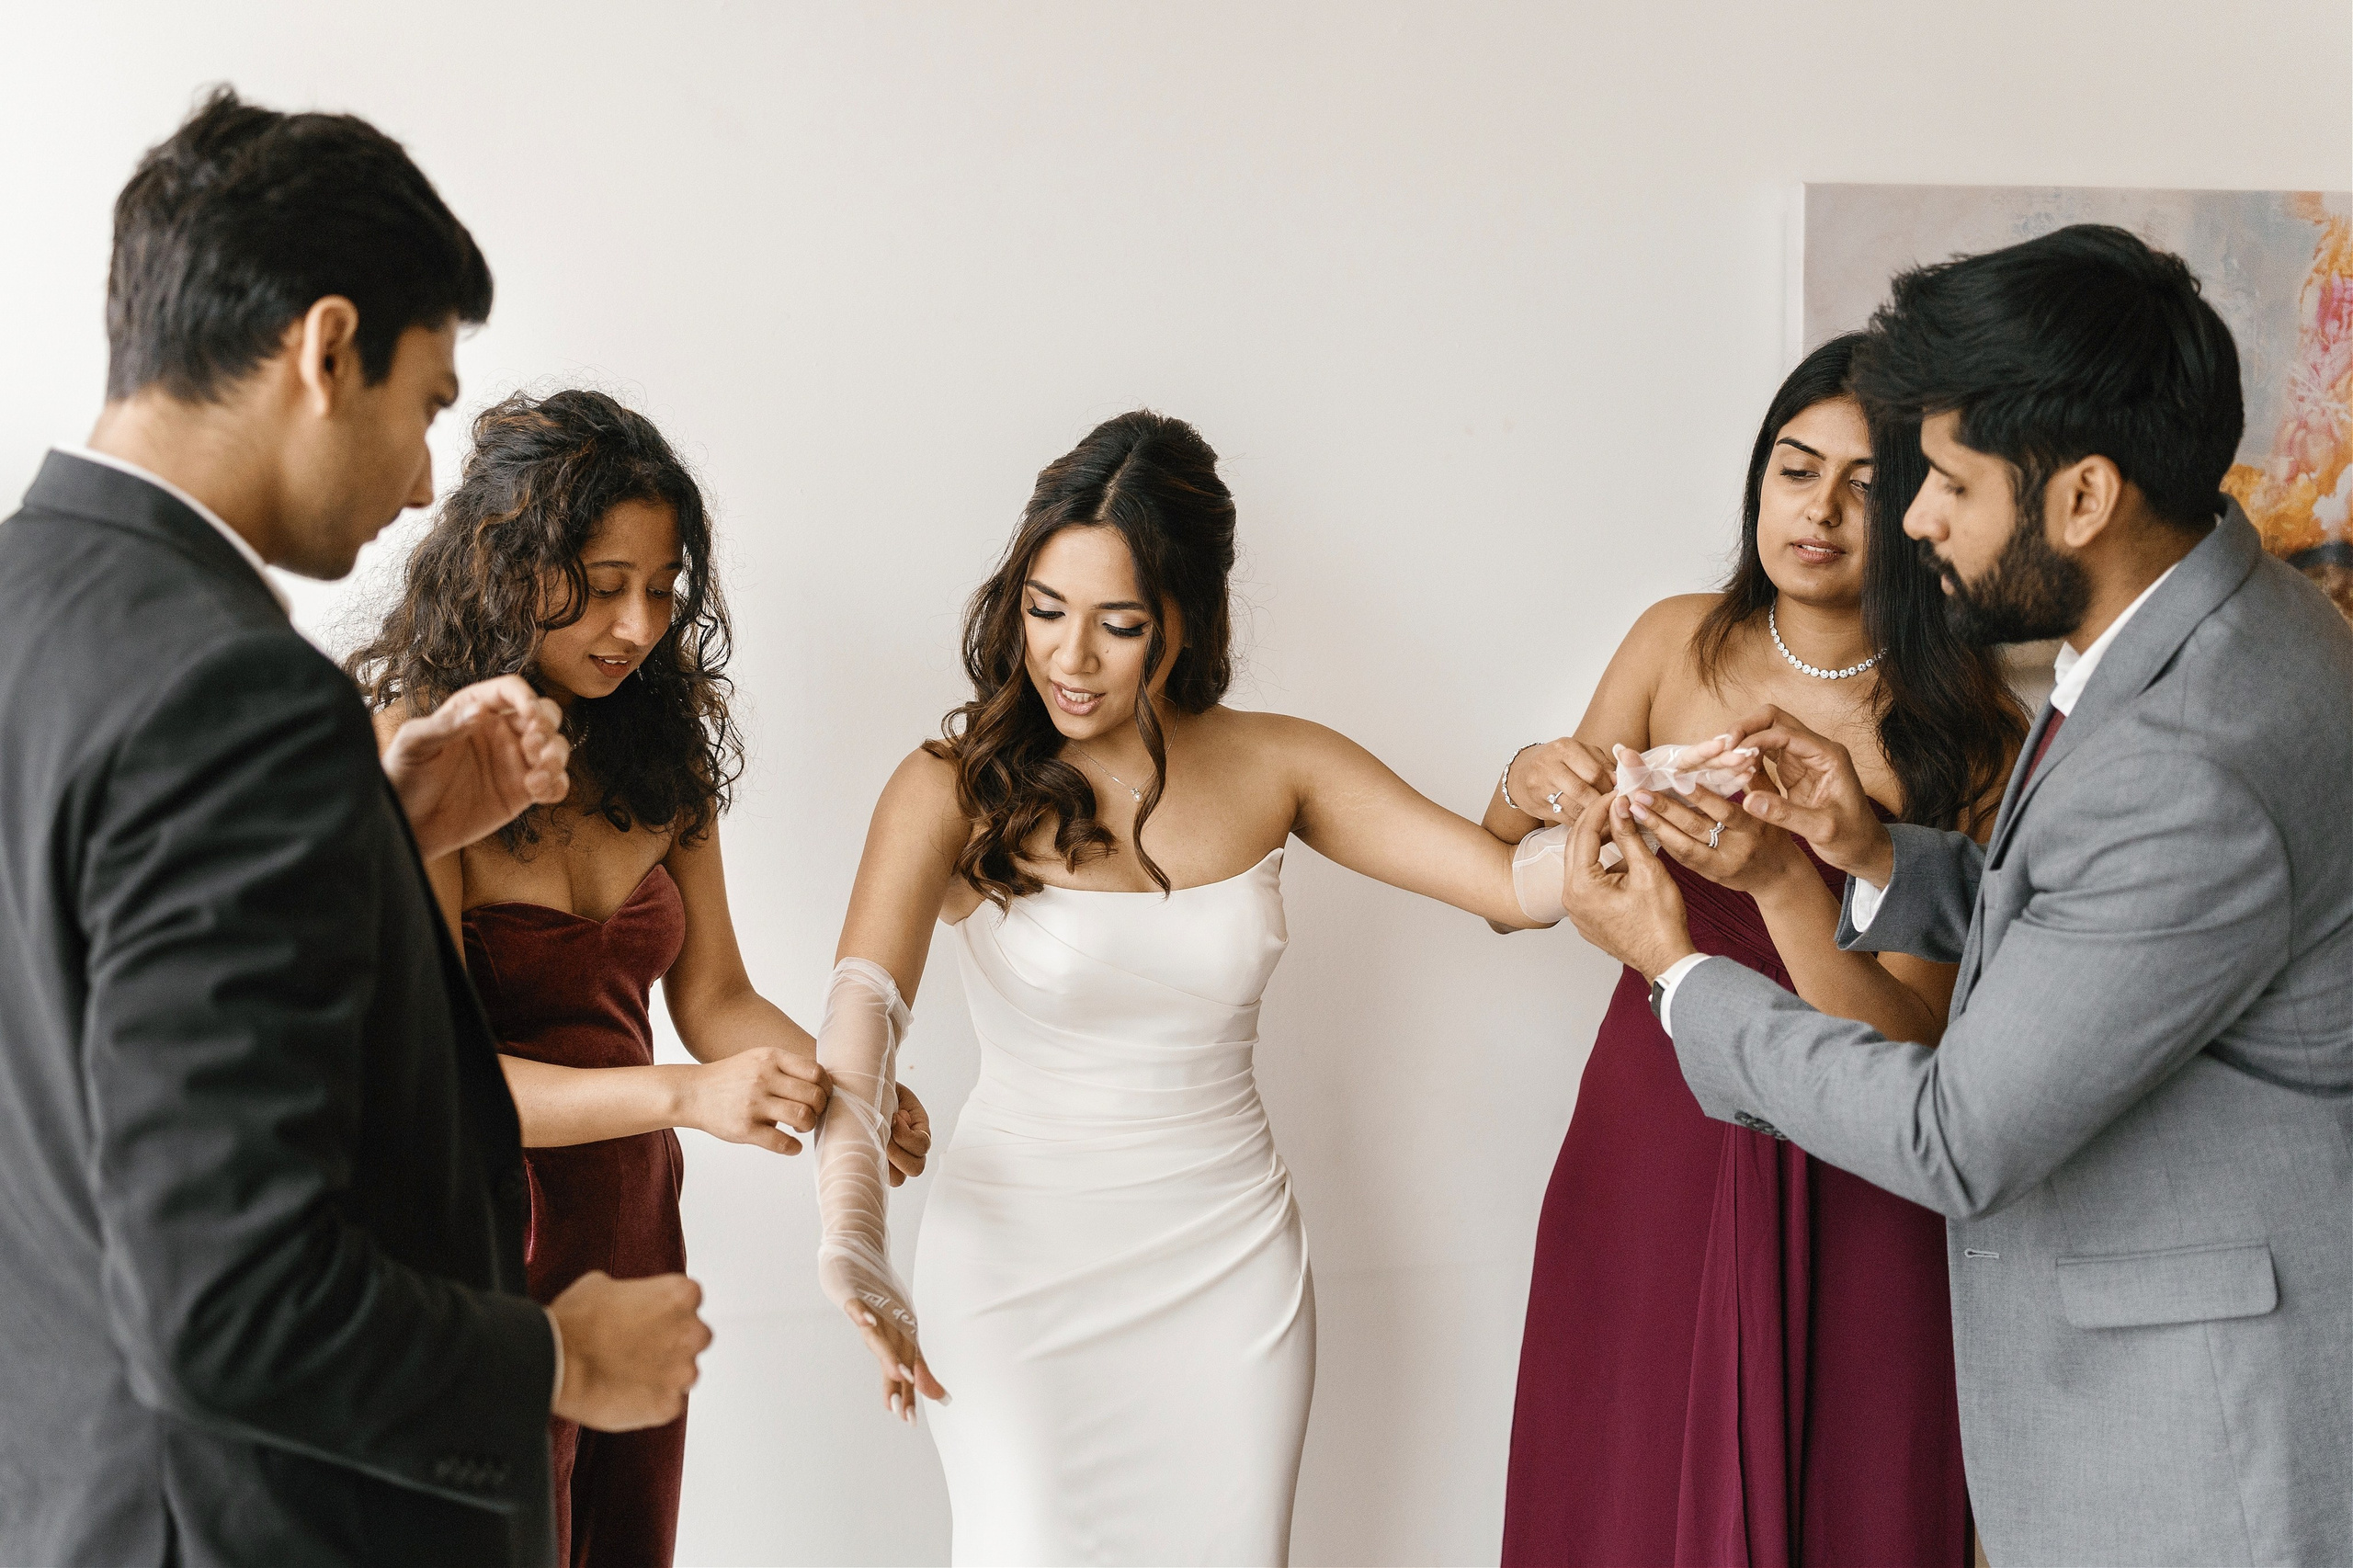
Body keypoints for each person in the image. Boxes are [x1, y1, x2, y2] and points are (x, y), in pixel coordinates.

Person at [1563, 224, 2353, 1564]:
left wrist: (1678, 972)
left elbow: (1954, 1134)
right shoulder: (2215, 623)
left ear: (2083, 497)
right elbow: (2103, 928)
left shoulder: (2190, 751)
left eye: (1946, 482)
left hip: (2194, 1441)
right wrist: (1871, 852)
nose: (1915, 519)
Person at [0, 89, 711, 1567]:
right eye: (430, 404)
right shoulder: (235, 691)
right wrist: (558, 1359)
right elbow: (227, 1299)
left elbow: (79, 1012)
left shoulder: (25, 610)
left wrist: (378, 820)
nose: (425, 481)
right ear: (327, 350)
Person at [807, 410, 1550, 1563]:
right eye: (1044, 610)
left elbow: (1510, 886)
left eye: (1118, 625)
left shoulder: (1281, 762)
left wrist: (1607, 791)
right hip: (1013, 1268)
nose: (1068, 657)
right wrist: (853, 1238)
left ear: (1184, 618)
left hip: (1228, 1269)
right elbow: (860, 1021)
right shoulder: (951, 786)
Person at [346, 387, 934, 1567]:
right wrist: (685, 1095)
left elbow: (714, 997)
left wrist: (841, 1089)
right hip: (479, 1235)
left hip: (633, 1224)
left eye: (664, 589)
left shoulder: (662, 751)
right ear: (508, 562)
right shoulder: (420, 751)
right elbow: (441, 1081)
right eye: (605, 583)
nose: (638, 624)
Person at [1486, 333, 2021, 1565]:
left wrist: (1782, 881)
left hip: (1855, 1155)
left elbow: (1916, 1042)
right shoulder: (1672, 640)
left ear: (1924, 511)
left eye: (1866, 484)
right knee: (1621, 1476)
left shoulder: (1969, 730)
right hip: (1651, 1127)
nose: (1819, 509)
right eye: (1795, 468)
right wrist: (1525, 781)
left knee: (1851, 1490)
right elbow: (1506, 889)